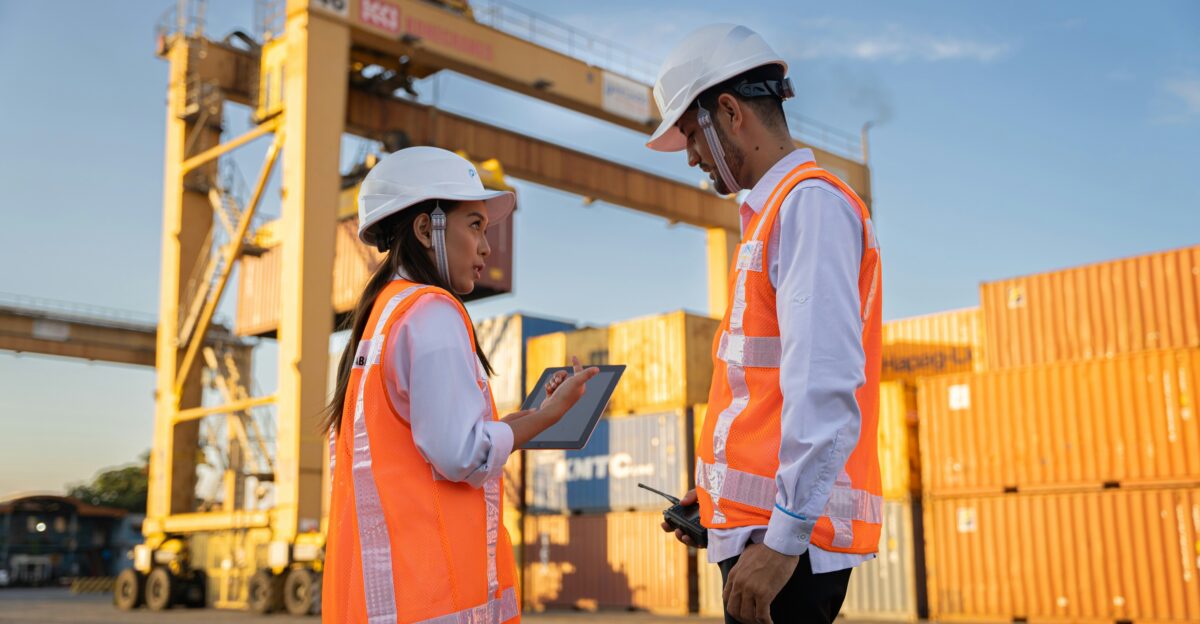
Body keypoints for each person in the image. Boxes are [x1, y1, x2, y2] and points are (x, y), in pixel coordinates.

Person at [647, 24, 884, 624]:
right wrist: (718, 505)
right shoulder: (773, 217)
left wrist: (782, 539)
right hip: (765, 535)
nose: (693, 158)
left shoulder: (809, 207)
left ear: (728, 112)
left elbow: (824, 384)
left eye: (691, 137)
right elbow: (767, 396)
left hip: (787, 553)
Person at [320, 146, 599, 623]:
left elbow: (427, 445)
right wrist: (550, 417)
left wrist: (528, 419)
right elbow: (461, 455)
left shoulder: (383, 315)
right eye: (475, 225)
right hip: (432, 597)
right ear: (427, 229)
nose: (487, 247)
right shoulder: (433, 311)